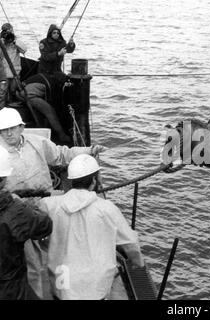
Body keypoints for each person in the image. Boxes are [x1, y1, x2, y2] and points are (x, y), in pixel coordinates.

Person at [0, 107, 104, 298]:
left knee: (57, 254)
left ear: (21, 127)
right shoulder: (1, 155)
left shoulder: (37, 143)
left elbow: (61, 154)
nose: (8, 133)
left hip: (46, 208)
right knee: (32, 263)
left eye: (12, 128)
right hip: (18, 215)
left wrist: (89, 150)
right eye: (3, 130)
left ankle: (62, 290)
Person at [39, 154, 144, 300]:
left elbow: (40, 236)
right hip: (94, 286)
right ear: (94, 180)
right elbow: (130, 245)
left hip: (62, 279)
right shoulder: (107, 209)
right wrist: (137, 263)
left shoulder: (49, 205)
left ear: (71, 181)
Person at [0, 145, 52, 300]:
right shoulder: (14, 211)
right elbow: (44, 225)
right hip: (9, 287)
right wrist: (24, 205)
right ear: (3, 180)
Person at [0, 23, 27, 101]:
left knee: (13, 90)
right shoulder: (1, 42)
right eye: (6, 31)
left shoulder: (15, 41)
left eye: (10, 31)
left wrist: (14, 41)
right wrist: (2, 43)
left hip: (15, 72)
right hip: (4, 72)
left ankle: (12, 103)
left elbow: (24, 50)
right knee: (3, 92)